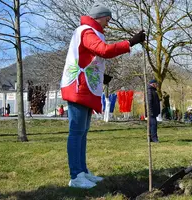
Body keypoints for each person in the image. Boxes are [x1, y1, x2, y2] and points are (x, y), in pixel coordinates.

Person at [60, 3, 145, 189]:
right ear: (99, 17)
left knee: (82, 132)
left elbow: (89, 58)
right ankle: (75, 176)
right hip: (78, 87)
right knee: (76, 133)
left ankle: (82, 171)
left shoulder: (90, 31)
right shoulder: (87, 31)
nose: (107, 24)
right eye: (107, 20)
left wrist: (100, 76)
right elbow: (103, 51)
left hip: (84, 87)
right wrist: (130, 42)